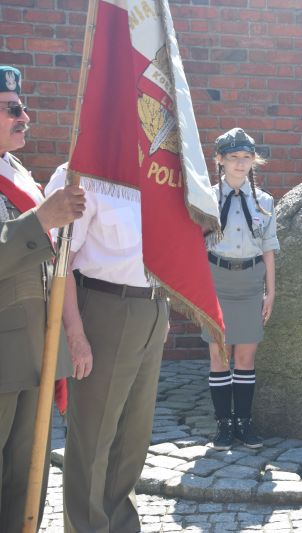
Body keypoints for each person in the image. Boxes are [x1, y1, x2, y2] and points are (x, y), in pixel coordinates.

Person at [46, 162, 169, 532]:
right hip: (104, 308)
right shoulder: (81, 172)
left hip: (152, 306)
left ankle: (121, 525)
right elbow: (60, 258)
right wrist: (75, 332)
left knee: (133, 437)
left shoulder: (159, 171)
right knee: (94, 439)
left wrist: (163, 310)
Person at [0, 65, 85, 532]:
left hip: (34, 350)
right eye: (13, 109)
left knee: (25, 484)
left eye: (23, 107)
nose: (25, 116)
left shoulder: (15, 172)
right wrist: (40, 221)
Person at [202, 128, 278, 451]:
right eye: (233, 157)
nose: (240, 164)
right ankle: (223, 425)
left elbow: (269, 248)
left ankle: (243, 424)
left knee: (245, 357)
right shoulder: (206, 198)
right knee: (220, 355)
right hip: (215, 280)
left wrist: (270, 291)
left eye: (246, 157)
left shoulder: (263, 202)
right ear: (220, 160)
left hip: (249, 282)